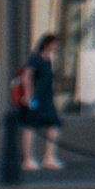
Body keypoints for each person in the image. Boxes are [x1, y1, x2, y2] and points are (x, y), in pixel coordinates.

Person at [18, 32, 64, 174]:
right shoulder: (36, 59)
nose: (56, 46)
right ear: (47, 44)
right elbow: (26, 77)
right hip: (36, 98)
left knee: (54, 125)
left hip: (47, 98)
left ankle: (49, 157)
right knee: (30, 126)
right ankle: (28, 159)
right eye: (54, 43)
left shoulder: (48, 60)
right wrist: (28, 96)